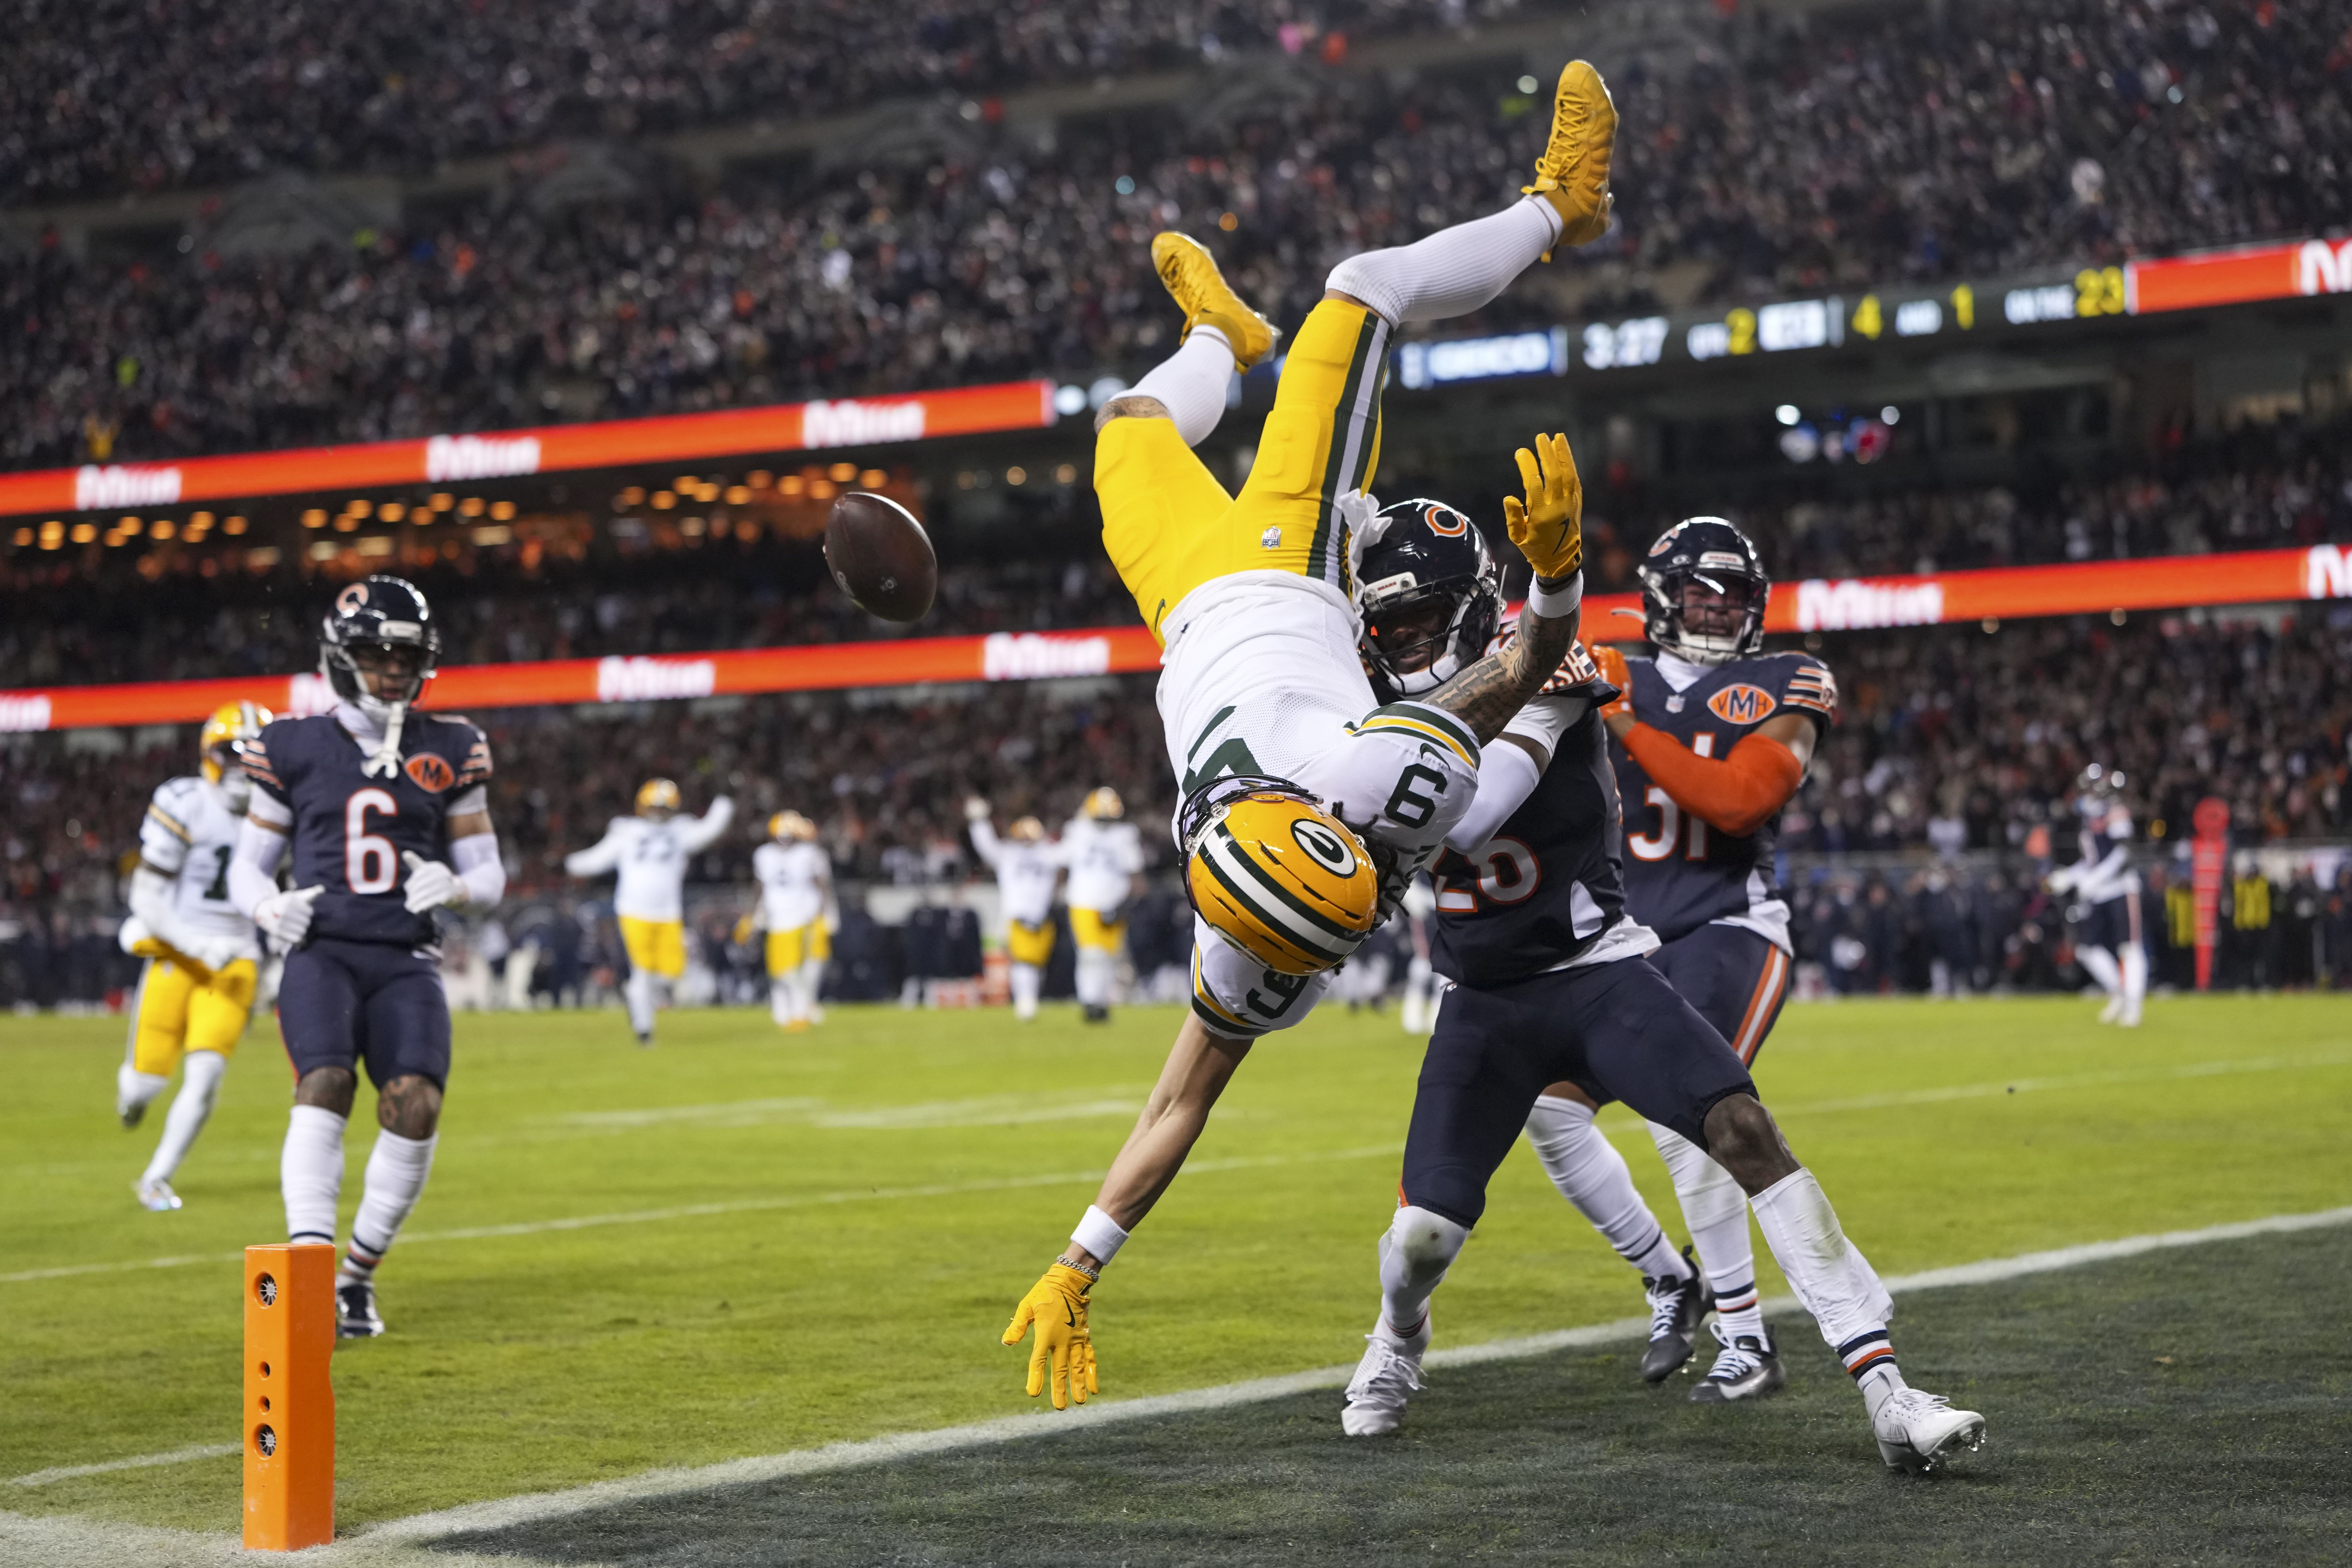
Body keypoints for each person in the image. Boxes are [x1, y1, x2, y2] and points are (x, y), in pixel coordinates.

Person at [1004, 57, 1617, 1410]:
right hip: (1290, 560)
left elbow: (1175, 1102)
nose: (1248, 831)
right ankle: (1556, 206)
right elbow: (1510, 674)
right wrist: (1559, 586)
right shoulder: (1377, 786)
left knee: (1125, 425)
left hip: (1188, 609)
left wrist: (1079, 1258)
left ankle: (1223, 335)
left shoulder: (1249, 931)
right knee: (1362, 285)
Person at [1332, 603, 1986, 1473]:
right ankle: (1398, 1337)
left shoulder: (1537, 670)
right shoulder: (1352, 701)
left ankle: (1887, 1392)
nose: (1405, 641)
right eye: (1391, 625)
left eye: (1424, 620)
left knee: (1739, 1130)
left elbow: (1467, 816)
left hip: (1600, 972)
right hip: (1485, 1000)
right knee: (1421, 1238)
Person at [1523, 516, 1839, 1402]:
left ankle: (1746, 1340)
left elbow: (1738, 802)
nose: (1714, 610)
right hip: (1625, 938)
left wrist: (1616, 716)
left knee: (1683, 1111)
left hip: (1727, 925)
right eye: (1699, 593)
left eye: (1731, 596)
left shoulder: (1787, 679)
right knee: (1549, 1115)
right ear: (1661, 596)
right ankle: (1670, 1277)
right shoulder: (1609, 662)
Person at [228, 576, 505, 1338]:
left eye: (405, 654)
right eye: (378, 652)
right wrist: (265, 905)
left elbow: (491, 871)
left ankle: (356, 1277)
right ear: (342, 656)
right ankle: (313, 1273)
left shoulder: (452, 742)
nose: (392, 668)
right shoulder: (289, 742)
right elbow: (248, 862)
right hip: (323, 949)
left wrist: (460, 883)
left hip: (407, 954)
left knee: (416, 1102)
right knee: (323, 1083)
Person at [115, 700, 272, 1211]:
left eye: (255, 754)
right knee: (144, 1085)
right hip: (179, 955)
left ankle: (156, 1177)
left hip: (235, 961)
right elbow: (147, 896)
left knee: (205, 1077)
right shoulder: (185, 801)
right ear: (210, 754)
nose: (244, 765)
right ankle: (132, 1101)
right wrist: (194, 942)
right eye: (234, 753)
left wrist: (277, 965)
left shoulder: (281, 812)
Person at [563, 779, 733, 1045]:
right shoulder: (627, 831)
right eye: (655, 807)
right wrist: (572, 864)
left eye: (664, 808)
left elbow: (710, 830)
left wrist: (724, 802)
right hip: (634, 911)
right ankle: (644, 1029)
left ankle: (637, 1001)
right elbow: (599, 858)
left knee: (669, 974)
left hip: (668, 913)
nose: (659, 813)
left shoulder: (681, 830)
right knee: (643, 972)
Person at [2050, 763, 2145, 1026]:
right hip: (2099, 892)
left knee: (2129, 947)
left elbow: (2124, 854)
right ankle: (2119, 993)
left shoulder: (2115, 812)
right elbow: (2092, 860)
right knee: (2086, 949)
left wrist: (2095, 878)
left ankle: (2133, 1005)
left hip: (2121, 888)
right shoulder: (2088, 819)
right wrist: (2070, 877)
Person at [967, 797, 1065, 1021]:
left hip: (1043, 915)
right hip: (1018, 915)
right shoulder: (1009, 854)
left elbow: (1070, 852)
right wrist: (979, 822)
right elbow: (986, 846)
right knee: (1024, 962)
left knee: (1035, 964)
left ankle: (1029, 999)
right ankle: (1025, 1002)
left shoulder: (1047, 852)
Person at [1061, 787, 1144, 1021]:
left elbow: (1135, 874)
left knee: (1109, 957)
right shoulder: (1077, 830)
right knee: (1091, 955)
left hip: (1115, 902)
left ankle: (1099, 1002)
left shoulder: (1125, 835)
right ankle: (1089, 1002)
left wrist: (1126, 904)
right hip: (1084, 902)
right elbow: (1062, 860)